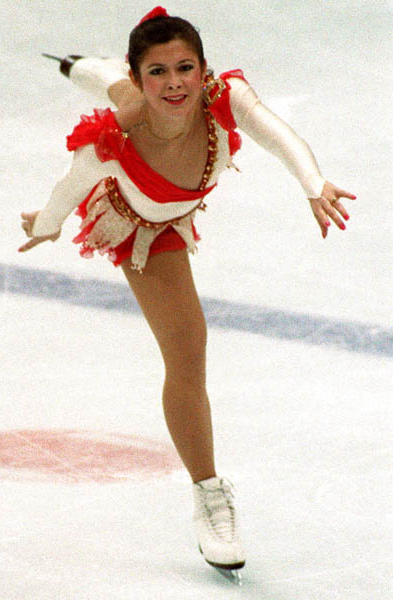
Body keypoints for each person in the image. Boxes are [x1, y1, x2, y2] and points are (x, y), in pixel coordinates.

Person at [19, 6, 356, 572]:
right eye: (157, 72)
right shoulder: (107, 140)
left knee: (122, 87)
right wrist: (46, 223)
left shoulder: (223, 97)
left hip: (162, 174)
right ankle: (209, 494)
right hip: (143, 224)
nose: (174, 83)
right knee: (189, 349)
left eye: (185, 68)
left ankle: (92, 66)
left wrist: (313, 182)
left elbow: (277, 134)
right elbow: (69, 187)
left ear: (204, 70)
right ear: (140, 74)